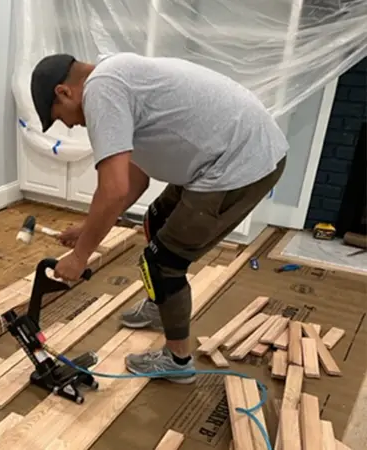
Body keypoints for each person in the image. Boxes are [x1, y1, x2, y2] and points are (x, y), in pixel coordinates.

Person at [29, 52, 288, 383]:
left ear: (64, 92)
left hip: (241, 163)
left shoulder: (102, 91)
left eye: (59, 116)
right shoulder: (115, 78)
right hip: (220, 156)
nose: (68, 124)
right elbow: (135, 179)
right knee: (156, 221)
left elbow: (114, 190)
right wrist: (86, 229)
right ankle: (159, 306)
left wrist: (80, 257)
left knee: (163, 262)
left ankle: (177, 361)